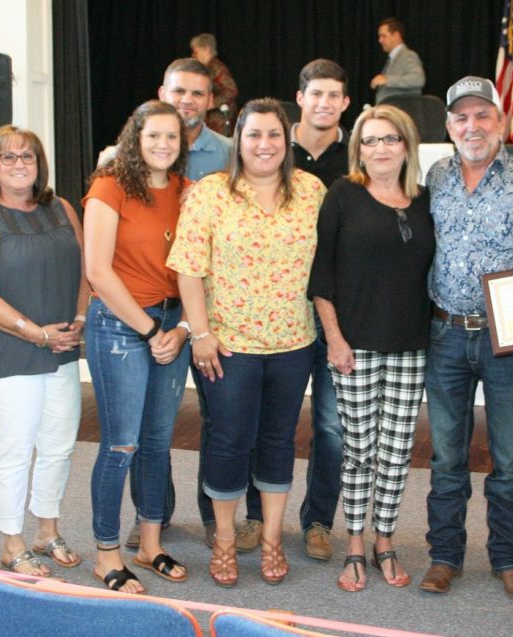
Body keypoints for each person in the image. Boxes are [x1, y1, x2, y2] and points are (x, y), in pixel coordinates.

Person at [421, 76, 513, 599]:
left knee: (508, 457)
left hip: (510, 342)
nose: (472, 126)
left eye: (483, 115)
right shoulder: (433, 176)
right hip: (443, 335)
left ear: (501, 122)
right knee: (445, 457)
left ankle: (508, 559)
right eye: (461, 117)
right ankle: (444, 557)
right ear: (448, 127)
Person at [168, 98, 326, 587]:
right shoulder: (211, 193)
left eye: (274, 134)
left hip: (294, 342)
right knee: (230, 439)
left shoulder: (311, 190)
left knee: (279, 441)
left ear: (287, 140)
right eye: (254, 134)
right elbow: (189, 270)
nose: (264, 144)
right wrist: (201, 334)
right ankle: (223, 537)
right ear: (238, 140)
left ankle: (274, 538)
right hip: (228, 346)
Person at [309, 104, 434, 592]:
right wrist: (335, 339)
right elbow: (322, 277)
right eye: (369, 141)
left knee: (397, 451)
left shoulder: (426, 200)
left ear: (406, 145)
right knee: (358, 450)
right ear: (358, 149)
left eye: (389, 139)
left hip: (411, 346)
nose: (379, 149)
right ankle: (355, 544)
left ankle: (386, 539)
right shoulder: (343, 195)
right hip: (353, 346)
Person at [0, 126, 88, 576]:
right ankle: (12, 543)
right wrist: (37, 334)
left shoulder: (61, 209)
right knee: (15, 451)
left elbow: (86, 272)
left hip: (62, 350)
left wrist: (80, 322)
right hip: (9, 354)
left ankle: (46, 531)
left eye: (27, 157)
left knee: (58, 448)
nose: (19, 165)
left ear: (40, 164)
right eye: (8, 158)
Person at [237, 59, 352, 561]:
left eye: (335, 95)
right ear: (299, 98)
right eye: (316, 94)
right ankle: (257, 516)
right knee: (262, 422)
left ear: (346, 103)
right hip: (271, 316)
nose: (324, 103)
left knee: (330, 426)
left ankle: (318, 521)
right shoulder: (272, 148)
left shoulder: (359, 155)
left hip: (333, 317)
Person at [124, 57, 233, 552]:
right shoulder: (126, 156)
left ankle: (215, 516)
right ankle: (154, 514)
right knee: (150, 422)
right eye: (178, 92)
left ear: (210, 101)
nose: (186, 101)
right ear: (161, 93)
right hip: (153, 312)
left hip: (211, 316)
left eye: (197, 94)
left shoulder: (231, 155)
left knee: (218, 419)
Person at [83, 100, 192, 594]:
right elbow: (98, 272)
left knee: (155, 444)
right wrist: (150, 333)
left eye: (172, 136)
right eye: (153, 136)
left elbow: (199, 269)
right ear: (135, 139)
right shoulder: (110, 187)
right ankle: (107, 551)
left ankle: (149, 545)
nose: (163, 145)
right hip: (123, 326)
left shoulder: (188, 192)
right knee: (121, 444)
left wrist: (183, 329)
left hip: (172, 325)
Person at [191, 33, 239, 134]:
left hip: (220, 120)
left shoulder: (218, 68)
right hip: (212, 120)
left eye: (196, 52)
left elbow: (231, 90)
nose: (194, 56)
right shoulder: (208, 68)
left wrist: (212, 103)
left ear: (206, 50)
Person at [370, 17, 425, 103]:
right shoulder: (393, 58)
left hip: (402, 112)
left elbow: (418, 79)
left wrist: (387, 80)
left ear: (396, 35)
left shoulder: (408, 55)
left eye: (383, 36)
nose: (380, 40)